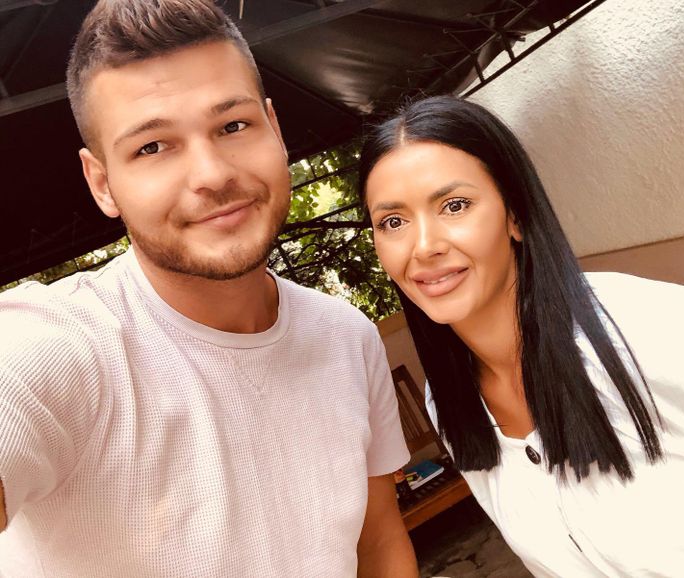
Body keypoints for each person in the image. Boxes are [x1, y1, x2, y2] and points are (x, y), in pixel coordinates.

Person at [0, 1, 419, 576]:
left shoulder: (347, 337)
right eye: (152, 147)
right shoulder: (62, 345)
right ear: (102, 184)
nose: (213, 174)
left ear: (274, 128)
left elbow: (378, 543)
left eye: (233, 126)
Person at [358, 95, 684, 577]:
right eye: (393, 222)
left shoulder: (652, 332)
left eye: (455, 205)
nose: (424, 245)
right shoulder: (450, 403)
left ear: (514, 214)